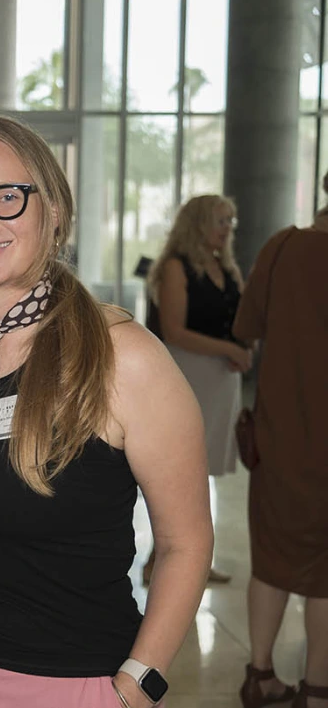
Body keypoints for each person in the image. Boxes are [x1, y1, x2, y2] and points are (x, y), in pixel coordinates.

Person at [0, 115, 213, 708]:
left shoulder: (121, 358)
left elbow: (186, 542)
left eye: (7, 197)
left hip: (57, 681)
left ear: (52, 210)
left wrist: (136, 687)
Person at [233, 202, 328, 708]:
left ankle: (260, 674)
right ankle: (317, 689)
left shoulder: (282, 246)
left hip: (281, 433)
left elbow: (246, 326)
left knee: (270, 559)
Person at [145, 194, 250, 584]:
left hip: (222, 377)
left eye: (230, 222)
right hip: (188, 373)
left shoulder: (227, 268)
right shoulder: (177, 267)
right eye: (221, 221)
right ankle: (166, 556)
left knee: (201, 471)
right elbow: (174, 331)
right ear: (199, 223)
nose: (227, 230)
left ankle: (184, 556)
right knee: (183, 466)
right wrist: (228, 348)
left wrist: (244, 347)